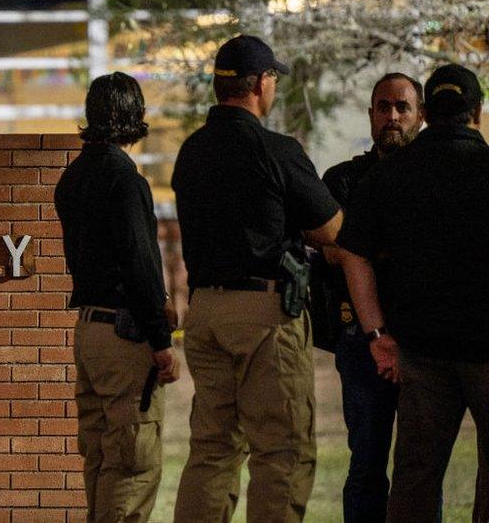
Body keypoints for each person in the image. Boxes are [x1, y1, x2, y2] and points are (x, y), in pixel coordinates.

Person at [171, 35, 342, 523]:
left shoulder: (192, 152)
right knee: (282, 451)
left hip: (204, 311)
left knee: (212, 449)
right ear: (262, 84)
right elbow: (331, 228)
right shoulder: (277, 149)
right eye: (273, 80)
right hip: (263, 315)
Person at [337, 63, 489, 523]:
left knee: (415, 478)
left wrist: (376, 332)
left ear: (426, 113)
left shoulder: (390, 175)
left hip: (421, 353)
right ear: (476, 113)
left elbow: (353, 253)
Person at [55, 71, 180, 522]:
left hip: (88, 330)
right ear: (137, 116)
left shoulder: (72, 178)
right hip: (125, 336)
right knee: (131, 465)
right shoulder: (125, 180)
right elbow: (141, 265)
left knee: (101, 459)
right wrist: (162, 342)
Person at [321, 73, 425, 522]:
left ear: (420, 115)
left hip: (426, 342)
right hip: (361, 341)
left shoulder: (434, 178)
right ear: (370, 115)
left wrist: (360, 248)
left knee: (421, 468)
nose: (393, 117)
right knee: (366, 463)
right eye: (383, 107)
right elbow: (330, 249)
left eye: (402, 107)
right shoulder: (343, 180)